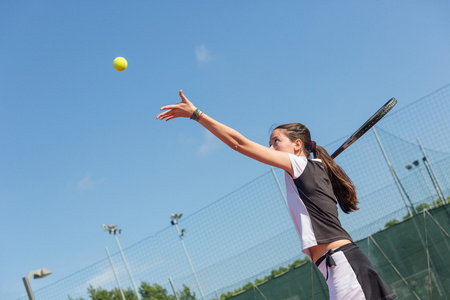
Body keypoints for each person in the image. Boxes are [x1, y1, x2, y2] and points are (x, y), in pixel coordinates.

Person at [157, 90, 396, 300]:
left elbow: (239, 144)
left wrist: (196, 114)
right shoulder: (311, 170)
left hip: (343, 265)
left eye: (276, 141)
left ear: (297, 145)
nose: (271, 149)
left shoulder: (300, 165)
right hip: (338, 266)